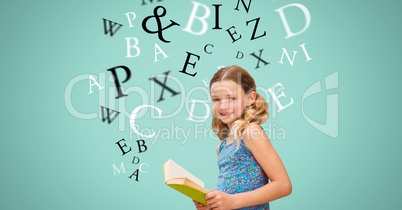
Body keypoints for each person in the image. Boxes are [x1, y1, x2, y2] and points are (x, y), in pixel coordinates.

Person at [193, 65, 292, 210]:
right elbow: (230, 195)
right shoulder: (221, 147)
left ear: (250, 98)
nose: (223, 106)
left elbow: (283, 185)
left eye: (231, 98)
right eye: (216, 99)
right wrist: (213, 204)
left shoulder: (251, 132)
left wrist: (232, 201)